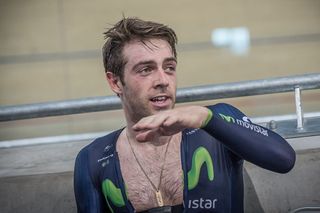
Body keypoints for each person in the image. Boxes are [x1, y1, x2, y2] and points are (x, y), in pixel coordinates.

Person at [74, 17, 296, 213]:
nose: (163, 80)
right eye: (145, 70)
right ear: (115, 82)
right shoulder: (92, 159)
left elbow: (284, 160)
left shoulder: (213, 121)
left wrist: (205, 118)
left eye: (169, 67)